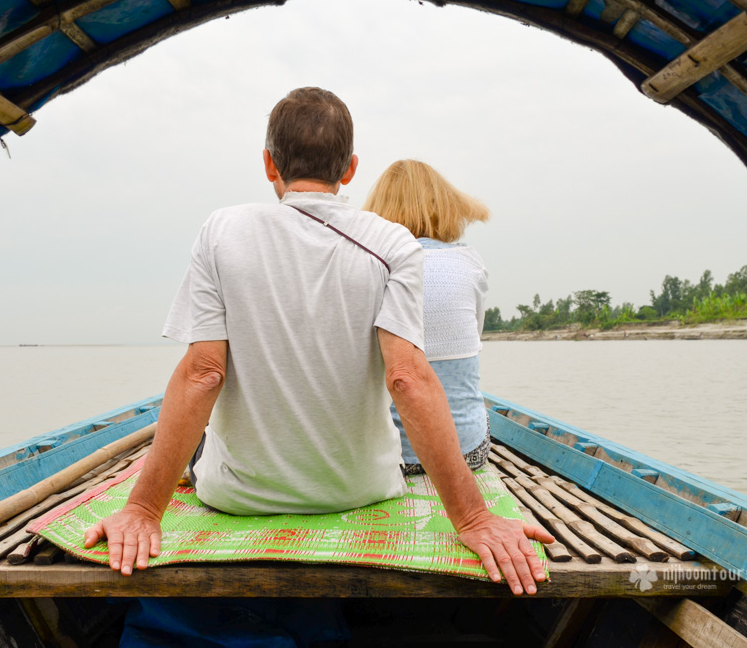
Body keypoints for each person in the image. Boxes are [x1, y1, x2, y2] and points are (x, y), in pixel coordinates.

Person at [84, 87, 553, 597]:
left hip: (237, 496)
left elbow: (204, 373)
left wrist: (142, 510)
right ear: (349, 169)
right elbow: (407, 378)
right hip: (363, 490)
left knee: (201, 436)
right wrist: (474, 519)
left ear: (269, 164)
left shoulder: (222, 231)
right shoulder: (392, 242)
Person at [363, 160, 491, 475]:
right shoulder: (469, 262)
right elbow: (474, 338)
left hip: (389, 458)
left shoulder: (367, 266)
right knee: (481, 412)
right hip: (465, 455)